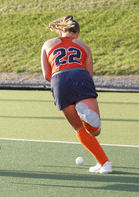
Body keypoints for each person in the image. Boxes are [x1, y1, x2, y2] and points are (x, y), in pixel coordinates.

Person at [41, 15, 112, 174]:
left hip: (59, 79)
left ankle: (105, 163)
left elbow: (47, 75)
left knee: (78, 129)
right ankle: (88, 119)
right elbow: (89, 74)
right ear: (77, 33)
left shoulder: (47, 44)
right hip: (81, 76)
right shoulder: (83, 46)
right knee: (95, 130)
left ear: (59, 31)